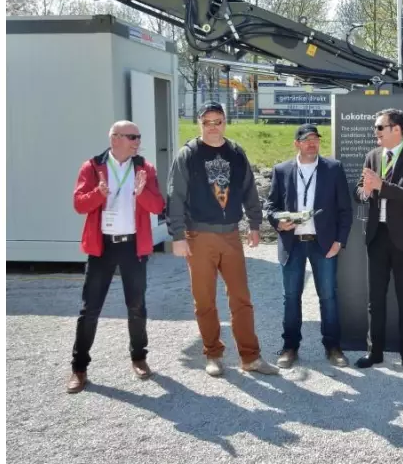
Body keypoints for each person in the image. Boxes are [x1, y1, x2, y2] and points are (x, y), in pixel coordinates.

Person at [166, 101, 278, 377]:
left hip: (230, 235)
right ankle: (213, 354)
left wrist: (254, 224)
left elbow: (249, 189)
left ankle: (250, 357)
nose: (213, 127)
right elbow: (175, 196)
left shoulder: (236, 153)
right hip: (198, 236)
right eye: (207, 122)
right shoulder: (188, 154)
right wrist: (177, 235)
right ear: (200, 124)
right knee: (204, 300)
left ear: (225, 122)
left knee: (241, 299)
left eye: (218, 121)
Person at [67, 120, 166, 393]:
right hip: (103, 247)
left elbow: (158, 206)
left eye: (138, 136)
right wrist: (98, 194)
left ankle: (139, 357)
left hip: (133, 246)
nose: (137, 141)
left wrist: (141, 191)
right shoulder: (92, 166)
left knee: (137, 306)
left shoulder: (145, 168)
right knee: (90, 310)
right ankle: (79, 367)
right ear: (115, 139)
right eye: (132, 136)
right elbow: (79, 204)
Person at [265, 123, 353, 368]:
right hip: (292, 244)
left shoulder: (333, 169)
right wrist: (277, 221)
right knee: (291, 297)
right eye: (306, 140)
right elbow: (270, 206)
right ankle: (290, 347)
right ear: (297, 144)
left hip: (322, 244)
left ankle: (333, 347)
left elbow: (345, 210)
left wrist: (339, 241)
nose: (312, 143)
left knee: (328, 296)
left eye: (315, 139)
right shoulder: (282, 170)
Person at [354, 108, 403, 374]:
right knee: (376, 299)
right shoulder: (372, 156)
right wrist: (363, 192)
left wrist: (380, 186)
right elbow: (361, 189)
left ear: (396, 129)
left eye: (380, 127)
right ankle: (374, 352)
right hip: (378, 237)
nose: (376, 132)